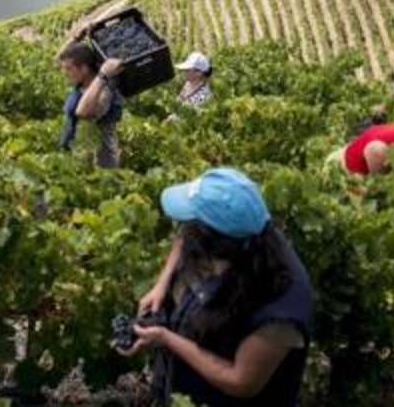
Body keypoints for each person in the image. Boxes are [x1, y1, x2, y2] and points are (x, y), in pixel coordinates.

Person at [125, 168, 314, 406]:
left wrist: (167, 339)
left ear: (217, 247)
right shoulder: (248, 228)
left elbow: (240, 382)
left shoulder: (282, 307)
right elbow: (185, 234)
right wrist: (161, 285)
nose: (187, 231)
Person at [57, 43, 125, 169]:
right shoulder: (81, 83)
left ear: (84, 69)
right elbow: (59, 59)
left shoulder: (105, 91)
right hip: (79, 158)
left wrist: (103, 75)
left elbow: (83, 112)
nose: (64, 72)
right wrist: (76, 38)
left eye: (69, 69)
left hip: (100, 165)